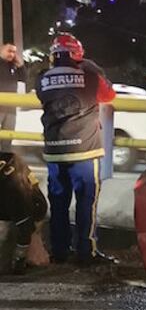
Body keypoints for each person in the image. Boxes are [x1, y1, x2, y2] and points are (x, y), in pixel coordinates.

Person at [36, 33, 116, 265]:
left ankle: (60, 251)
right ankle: (86, 252)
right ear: (77, 55)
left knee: (58, 203)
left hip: (55, 151)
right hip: (85, 151)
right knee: (86, 202)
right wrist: (92, 69)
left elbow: (46, 98)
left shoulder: (42, 79)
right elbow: (109, 95)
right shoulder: (90, 76)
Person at [0, 148, 48, 274]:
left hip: (25, 215)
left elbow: (25, 222)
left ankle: (24, 253)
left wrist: (20, 257)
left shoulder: (11, 187)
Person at [0, 43, 26, 152]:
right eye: (9, 50)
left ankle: (5, 160)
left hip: (10, 107)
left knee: (8, 137)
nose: (12, 54)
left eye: (14, 52)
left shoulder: (13, 66)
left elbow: (24, 78)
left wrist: (20, 66)